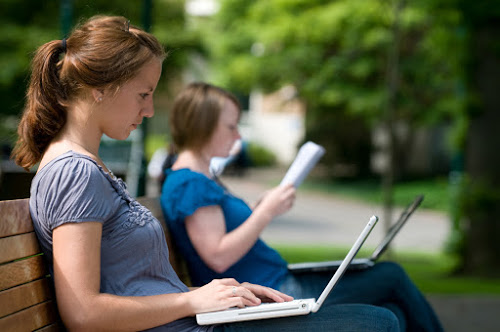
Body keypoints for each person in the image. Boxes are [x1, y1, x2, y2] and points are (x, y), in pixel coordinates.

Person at [11, 16, 401, 331]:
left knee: (378, 317)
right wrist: (192, 299)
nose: (148, 111)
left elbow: (132, 285)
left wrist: (219, 296)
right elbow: (83, 314)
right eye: (143, 94)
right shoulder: (73, 173)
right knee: (377, 321)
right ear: (101, 88)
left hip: (197, 321)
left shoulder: (80, 166)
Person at [160, 82, 444, 332]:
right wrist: (265, 211)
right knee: (391, 277)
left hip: (276, 282)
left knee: (395, 309)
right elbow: (218, 256)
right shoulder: (190, 184)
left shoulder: (196, 179)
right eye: (231, 127)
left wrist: (259, 208)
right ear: (202, 125)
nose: (238, 137)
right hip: (273, 290)